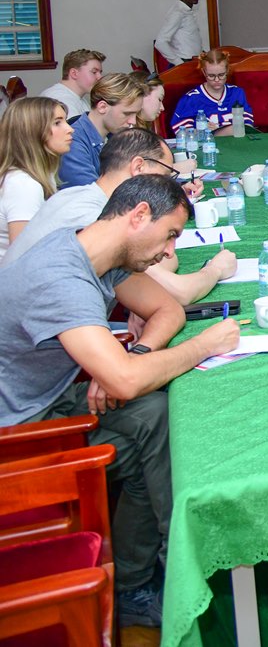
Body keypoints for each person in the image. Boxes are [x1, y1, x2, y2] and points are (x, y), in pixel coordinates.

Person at [0, 174, 240, 626]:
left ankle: (143, 578)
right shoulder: (60, 277)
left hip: (45, 404)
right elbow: (126, 382)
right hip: (18, 437)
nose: (169, 253)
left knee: (154, 417)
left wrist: (137, 352)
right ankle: (175, 574)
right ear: (139, 216)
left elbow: (167, 310)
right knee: (158, 428)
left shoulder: (91, 249)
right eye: (169, 235)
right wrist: (203, 347)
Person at [3, 129, 235, 306]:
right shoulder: (97, 219)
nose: (168, 185)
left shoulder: (78, 195)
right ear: (138, 167)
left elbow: (163, 264)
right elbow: (179, 292)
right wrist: (215, 269)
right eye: (165, 175)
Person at [0, 97, 74, 261]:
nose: (70, 129)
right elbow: (22, 258)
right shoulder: (24, 184)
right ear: (32, 131)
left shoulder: (38, 176)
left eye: (65, 121)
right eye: (57, 123)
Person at [59, 73, 149, 188]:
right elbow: (92, 195)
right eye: (127, 113)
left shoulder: (115, 136)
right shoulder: (73, 142)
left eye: (136, 114)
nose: (133, 121)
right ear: (102, 107)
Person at [169, 49, 254, 132]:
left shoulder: (237, 93)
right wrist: (201, 131)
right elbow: (181, 131)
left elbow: (248, 125)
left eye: (221, 75)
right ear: (204, 72)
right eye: (211, 75)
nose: (217, 80)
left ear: (227, 70)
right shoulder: (191, 98)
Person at [40, 47, 105, 120]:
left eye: (100, 72)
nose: (100, 77)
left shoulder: (78, 97)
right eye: (94, 72)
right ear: (74, 73)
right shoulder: (61, 99)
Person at [155, 0, 204, 66]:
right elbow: (160, 42)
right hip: (185, 62)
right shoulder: (178, 13)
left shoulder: (186, 11)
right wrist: (179, 63)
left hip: (193, 61)